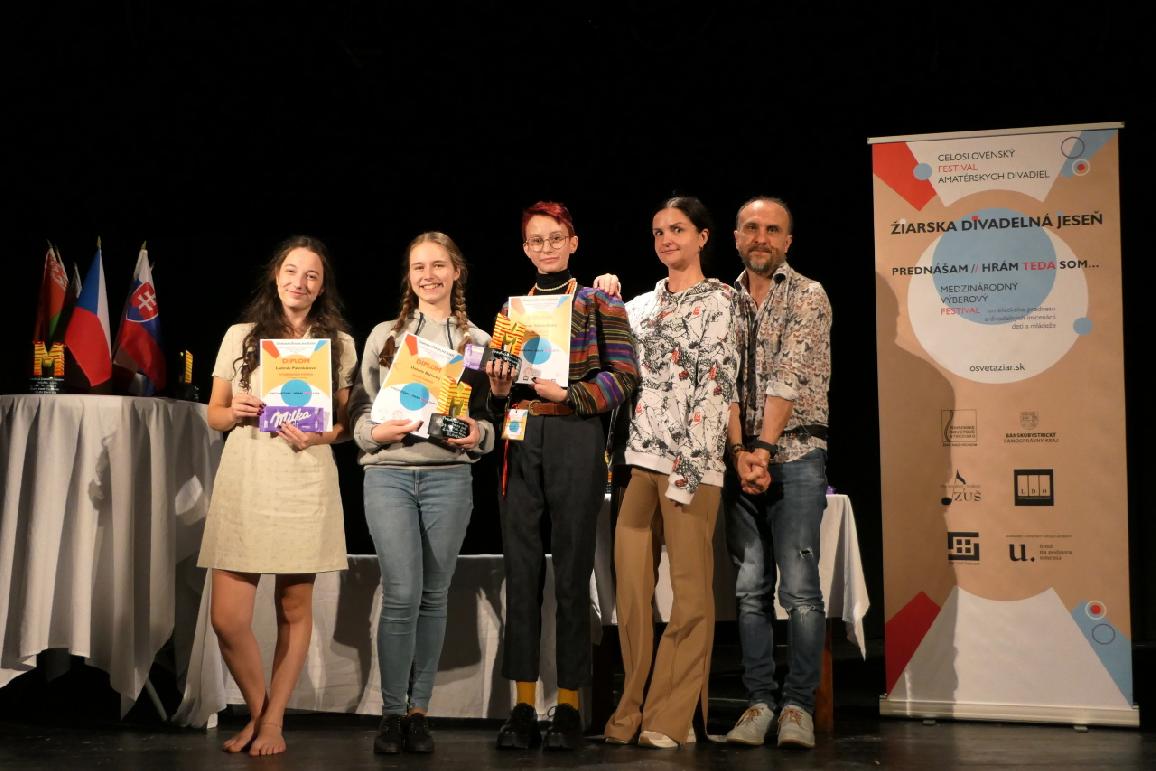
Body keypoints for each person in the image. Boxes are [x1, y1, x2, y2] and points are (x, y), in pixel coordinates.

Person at [485, 201, 639, 751]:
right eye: (536, 240)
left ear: (573, 242)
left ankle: (569, 705)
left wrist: (571, 394)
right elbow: (498, 390)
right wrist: (498, 389)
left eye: (556, 238)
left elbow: (623, 377)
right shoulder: (512, 312)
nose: (546, 247)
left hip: (575, 432)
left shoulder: (599, 302)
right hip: (522, 434)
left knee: (572, 572)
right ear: (525, 248)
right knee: (521, 571)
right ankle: (524, 704)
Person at [198, 235, 357, 756]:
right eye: (291, 271)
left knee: (293, 607)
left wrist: (318, 436)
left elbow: (345, 425)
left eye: (311, 275)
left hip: (304, 478)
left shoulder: (339, 344)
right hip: (246, 476)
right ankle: (260, 710)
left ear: (322, 287)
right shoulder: (241, 336)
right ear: (275, 275)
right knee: (227, 619)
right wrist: (236, 411)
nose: (299, 282)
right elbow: (214, 413)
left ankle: (271, 722)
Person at [347, 232, 496, 755]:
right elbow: (358, 410)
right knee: (402, 593)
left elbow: (487, 418)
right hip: (389, 474)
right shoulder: (385, 336)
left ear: (457, 272)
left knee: (434, 595)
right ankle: (391, 713)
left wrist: (479, 435)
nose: (428, 275)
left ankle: (418, 713)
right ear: (409, 276)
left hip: (448, 477)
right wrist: (374, 433)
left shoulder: (477, 342)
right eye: (418, 267)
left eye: (438, 265)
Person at [602, 197, 738, 749]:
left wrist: (691, 467)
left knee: (690, 595)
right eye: (658, 231)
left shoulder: (722, 300)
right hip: (638, 462)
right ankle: (631, 709)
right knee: (632, 594)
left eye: (677, 229)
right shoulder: (640, 306)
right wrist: (603, 296)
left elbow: (717, 386)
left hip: (691, 465)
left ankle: (671, 715)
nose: (666, 240)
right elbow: (611, 361)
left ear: (703, 236)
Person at [723, 196, 832, 750]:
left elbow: (789, 373)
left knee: (802, 593)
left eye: (772, 229)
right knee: (749, 591)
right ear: (736, 237)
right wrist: (739, 452)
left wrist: (761, 451)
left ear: (787, 241)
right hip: (739, 459)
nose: (760, 237)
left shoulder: (809, 294)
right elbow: (719, 379)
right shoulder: (722, 301)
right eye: (751, 228)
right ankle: (759, 703)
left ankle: (798, 706)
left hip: (796, 455)